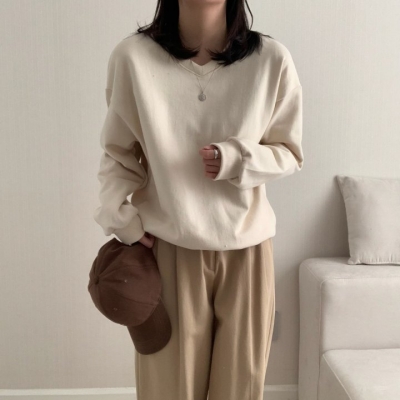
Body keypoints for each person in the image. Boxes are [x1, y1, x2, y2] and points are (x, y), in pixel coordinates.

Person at [93, 0, 303, 399]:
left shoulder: (271, 60)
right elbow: (118, 154)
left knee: (239, 390)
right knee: (167, 390)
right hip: (167, 252)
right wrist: (123, 222)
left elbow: (289, 152)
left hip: (248, 253)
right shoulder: (132, 58)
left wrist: (240, 159)